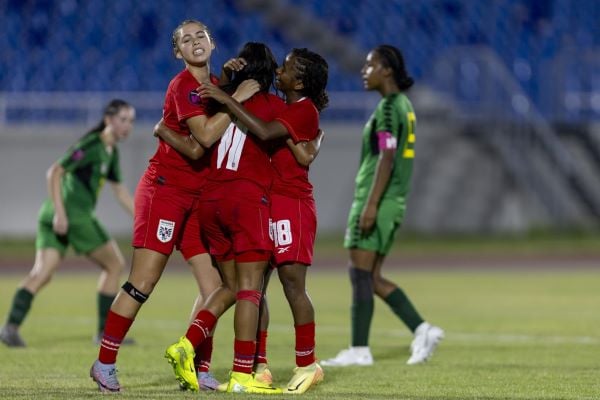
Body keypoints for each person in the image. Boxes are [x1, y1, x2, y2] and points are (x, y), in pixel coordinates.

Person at [89, 20, 258, 393]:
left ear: (213, 43)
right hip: (165, 191)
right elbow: (206, 136)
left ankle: (196, 367)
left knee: (214, 286)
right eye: (186, 39)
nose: (195, 42)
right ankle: (104, 362)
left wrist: (229, 88)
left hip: (199, 198)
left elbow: (201, 147)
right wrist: (237, 99)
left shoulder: (215, 87)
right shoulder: (184, 87)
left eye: (201, 36)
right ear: (177, 52)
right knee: (143, 282)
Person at [158, 41, 287, 395]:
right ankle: (243, 375)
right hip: (246, 199)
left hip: (211, 199)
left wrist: (228, 77)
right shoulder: (273, 106)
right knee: (250, 291)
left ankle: (186, 345)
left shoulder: (216, 101)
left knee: (228, 287)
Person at [198, 47, 329, 394]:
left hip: (292, 203)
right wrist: (229, 83)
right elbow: (299, 149)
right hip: (269, 203)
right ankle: (260, 366)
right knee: (258, 288)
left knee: (292, 284)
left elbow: (268, 133)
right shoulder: (287, 108)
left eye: (285, 68)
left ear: (299, 80)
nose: (278, 71)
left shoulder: (303, 110)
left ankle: (307, 363)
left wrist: (231, 101)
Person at [321, 45, 444, 368]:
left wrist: (371, 204)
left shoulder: (390, 108)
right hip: (393, 200)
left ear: (387, 70)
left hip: (380, 199)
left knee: (360, 273)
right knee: (369, 275)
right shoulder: (403, 105)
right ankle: (422, 329)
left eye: (370, 65)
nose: (364, 71)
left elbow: (386, 156)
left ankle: (360, 350)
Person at [0, 99, 135, 348]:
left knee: (42, 273)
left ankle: (10, 327)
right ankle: (105, 333)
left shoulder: (110, 151)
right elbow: (54, 171)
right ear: (108, 119)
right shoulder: (93, 145)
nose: (128, 126)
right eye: (123, 119)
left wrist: (140, 217)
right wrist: (61, 214)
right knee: (115, 264)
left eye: (131, 121)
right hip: (72, 216)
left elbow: (120, 191)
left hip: (54, 214)